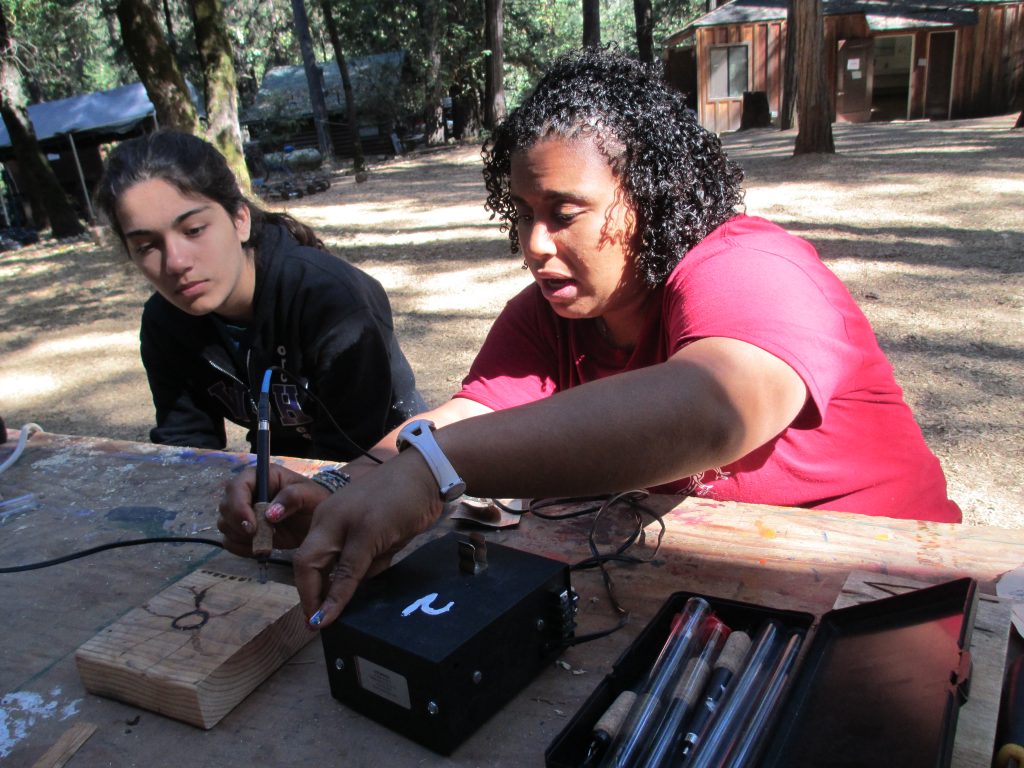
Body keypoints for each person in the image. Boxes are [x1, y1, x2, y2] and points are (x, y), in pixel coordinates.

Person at [218, 47, 960, 629]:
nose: (533, 244)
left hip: (899, 589)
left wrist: (434, 469)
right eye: (522, 213)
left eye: (564, 212)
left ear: (653, 194)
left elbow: (713, 409)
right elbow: (468, 416)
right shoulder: (552, 312)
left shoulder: (750, 265)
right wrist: (343, 484)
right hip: (721, 600)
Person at [95, 130, 426, 461]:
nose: (176, 262)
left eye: (194, 230)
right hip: (278, 472)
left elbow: (355, 452)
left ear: (240, 219)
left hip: (392, 467)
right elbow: (186, 446)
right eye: (146, 246)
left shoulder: (331, 299)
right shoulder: (165, 323)